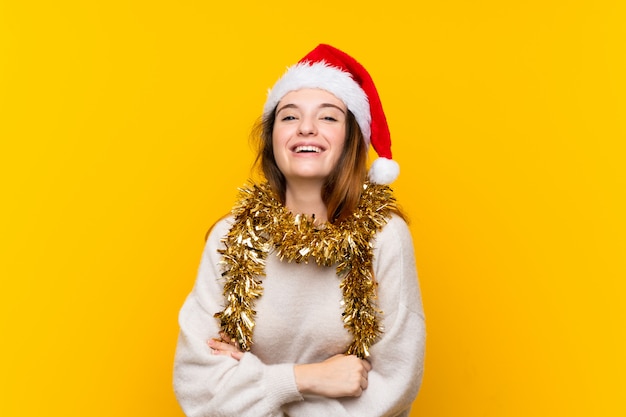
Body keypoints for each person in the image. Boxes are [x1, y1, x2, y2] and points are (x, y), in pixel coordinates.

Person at [173, 44, 425, 417]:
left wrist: (250, 383)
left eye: (328, 118)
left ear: (351, 138)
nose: (306, 127)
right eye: (289, 117)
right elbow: (198, 386)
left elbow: (393, 387)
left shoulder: (383, 237)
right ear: (272, 138)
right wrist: (306, 379)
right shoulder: (230, 238)